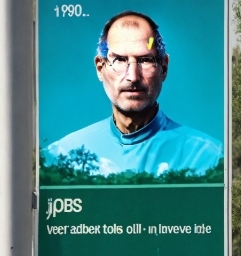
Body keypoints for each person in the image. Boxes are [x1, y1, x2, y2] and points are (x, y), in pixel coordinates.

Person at [45, 10, 223, 178]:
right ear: (100, 68)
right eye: (120, 60)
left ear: (164, 67)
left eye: (145, 60)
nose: (132, 77)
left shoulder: (208, 158)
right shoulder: (59, 156)